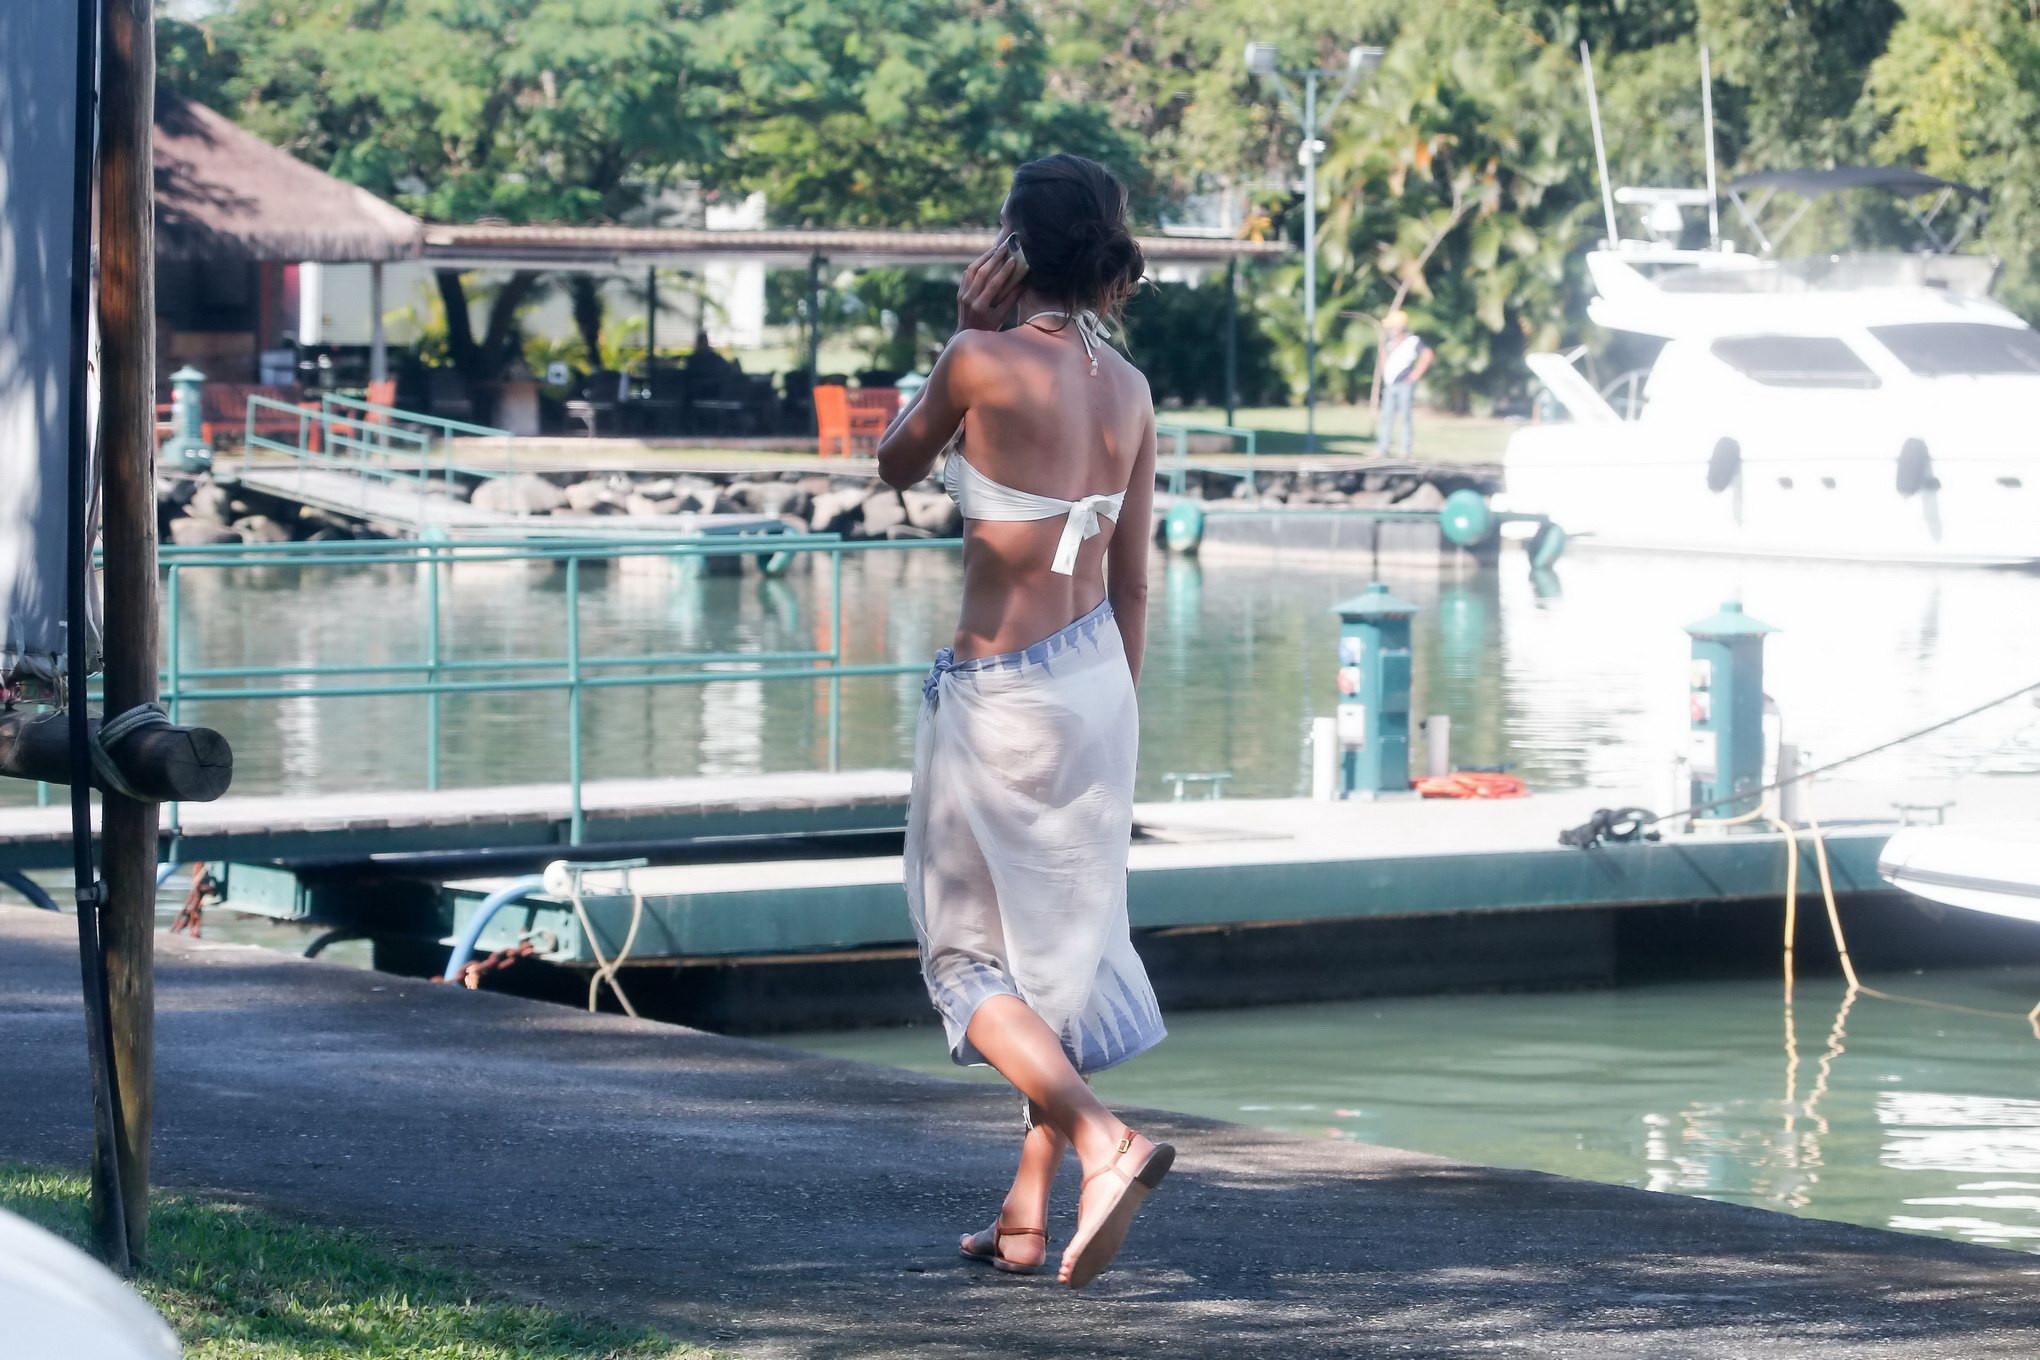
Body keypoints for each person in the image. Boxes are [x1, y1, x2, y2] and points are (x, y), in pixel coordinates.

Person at [876, 154, 1173, 1290]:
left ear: (1010, 249)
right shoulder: (1133, 388)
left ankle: (1105, 1142)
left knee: (964, 958)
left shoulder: (978, 360)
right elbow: (1134, 581)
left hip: (1001, 690)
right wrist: (1122, 720)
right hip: (1101, 681)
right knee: (1060, 953)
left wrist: (959, 329)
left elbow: (897, 461)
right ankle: (1025, 1214)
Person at [1377, 309, 1432, 456]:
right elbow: (1383, 357)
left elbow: (1428, 355)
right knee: (1386, 416)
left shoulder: (1412, 341)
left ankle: (1406, 450)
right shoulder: (1389, 342)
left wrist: (1415, 375)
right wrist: (1384, 371)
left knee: (1405, 417)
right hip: (1390, 385)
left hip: (1404, 384)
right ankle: (1383, 448)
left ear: (1400, 326)